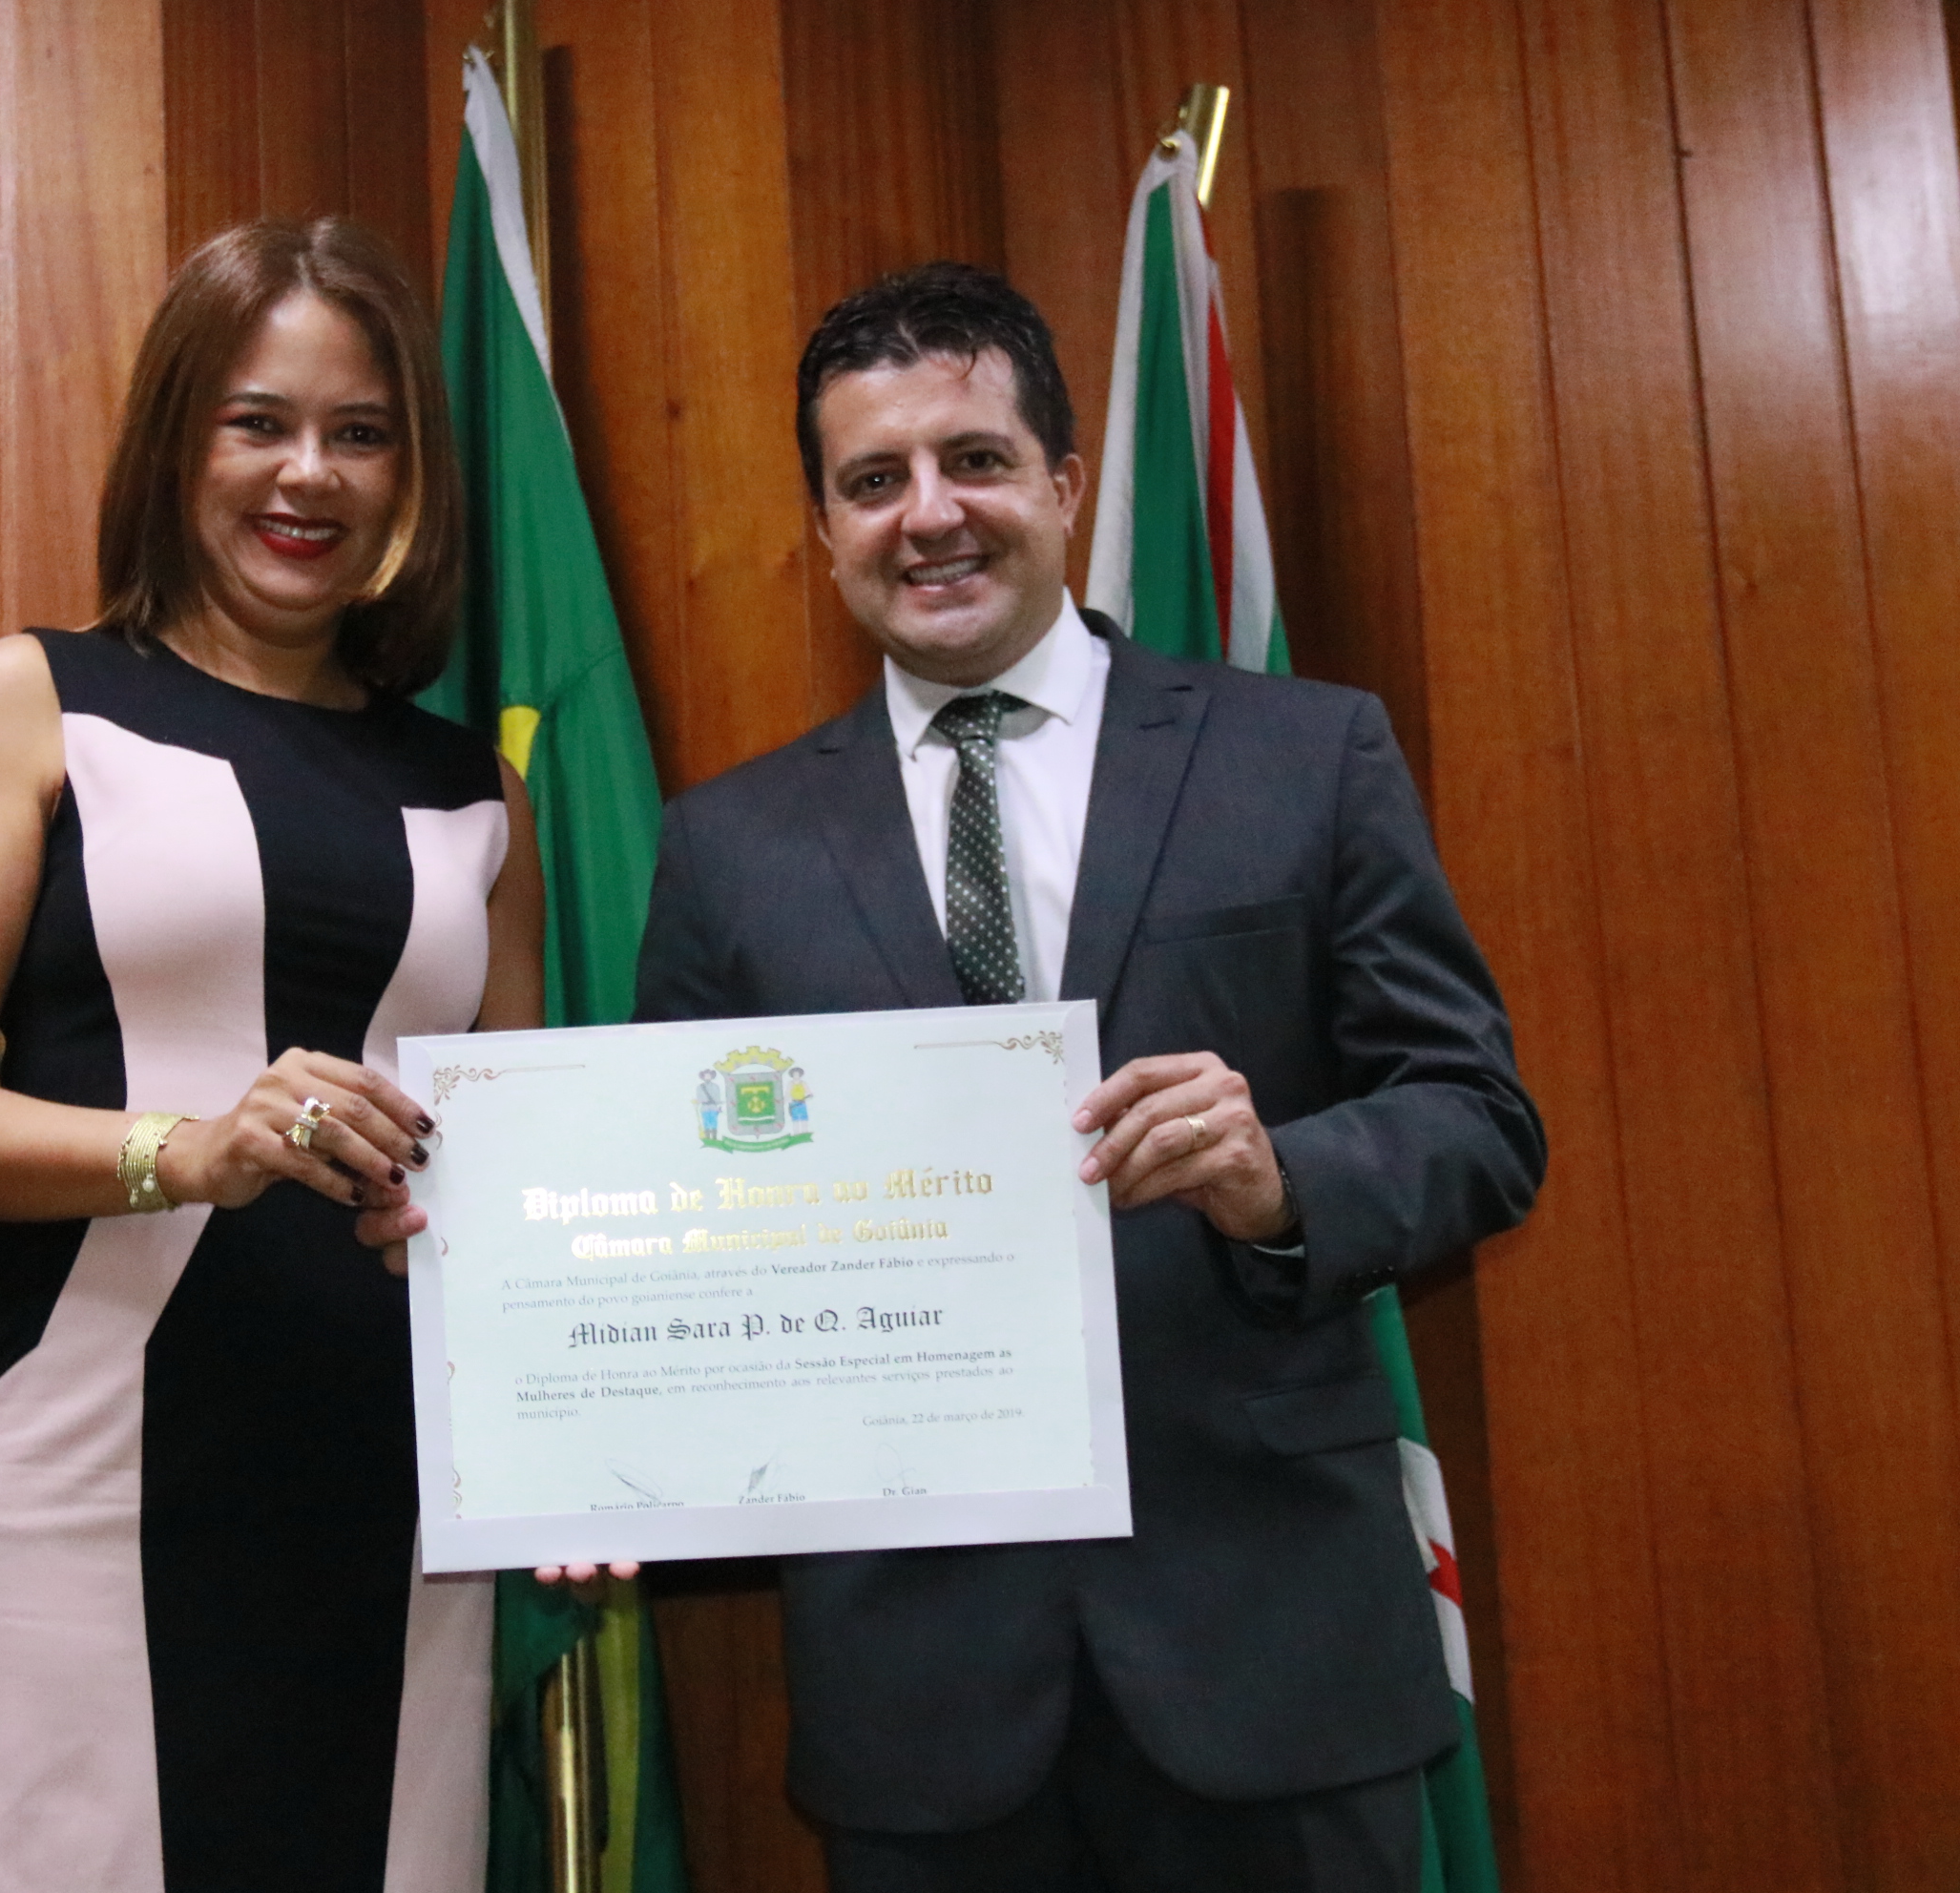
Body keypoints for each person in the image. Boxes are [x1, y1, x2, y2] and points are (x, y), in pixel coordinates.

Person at [622, 262, 1545, 1889]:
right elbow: (682, 1222)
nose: (929, 514)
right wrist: (596, 1448)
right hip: (922, 1699)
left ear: (1063, 483)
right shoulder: (727, 850)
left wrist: (1281, 1183)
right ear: (824, 530)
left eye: (975, 459)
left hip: (1271, 1651)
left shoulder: (1305, 756)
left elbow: (1480, 1121)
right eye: (874, 480)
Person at [0, 218, 542, 1893]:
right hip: (79, 1481)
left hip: (395, 1502)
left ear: (410, 476)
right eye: (258, 423)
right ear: (176, 443)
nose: (310, 474)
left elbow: (522, 1170)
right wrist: (186, 1150)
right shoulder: (36, 701)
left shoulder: (477, 792)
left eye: (360, 433)